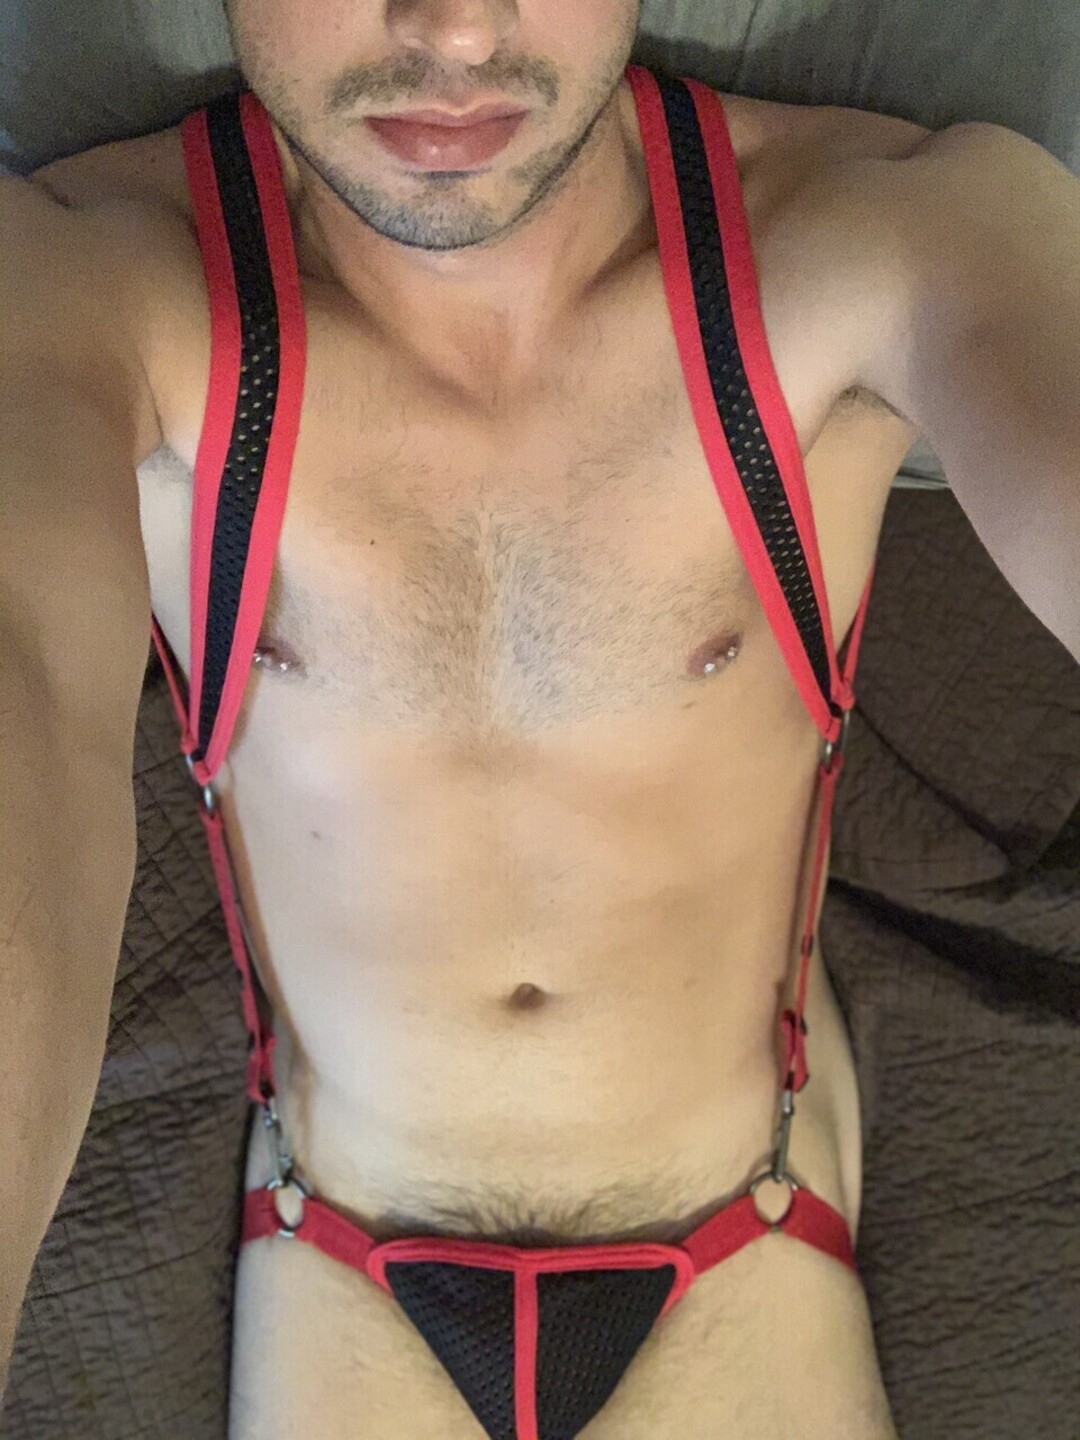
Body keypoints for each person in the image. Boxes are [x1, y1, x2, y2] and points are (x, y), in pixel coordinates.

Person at [2, 2, 1078, 1437]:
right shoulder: (79, 283)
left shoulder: (896, 233)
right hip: (338, 1243)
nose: (454, 27)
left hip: (743, 1228)